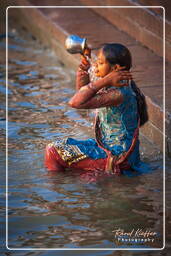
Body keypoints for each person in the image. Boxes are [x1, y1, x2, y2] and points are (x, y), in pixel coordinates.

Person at [45, 43, 149, 176]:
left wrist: (104, 80)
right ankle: (83, 176)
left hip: (117, 155)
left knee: (53, 151)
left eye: (100, 63)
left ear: (115, 68)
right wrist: (83, 74)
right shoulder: (115, 86)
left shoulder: (119, 93)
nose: (95, 65)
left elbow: (75, 102)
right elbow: (82, 97)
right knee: (62, 144)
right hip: (106, 145)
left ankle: (57, 186)